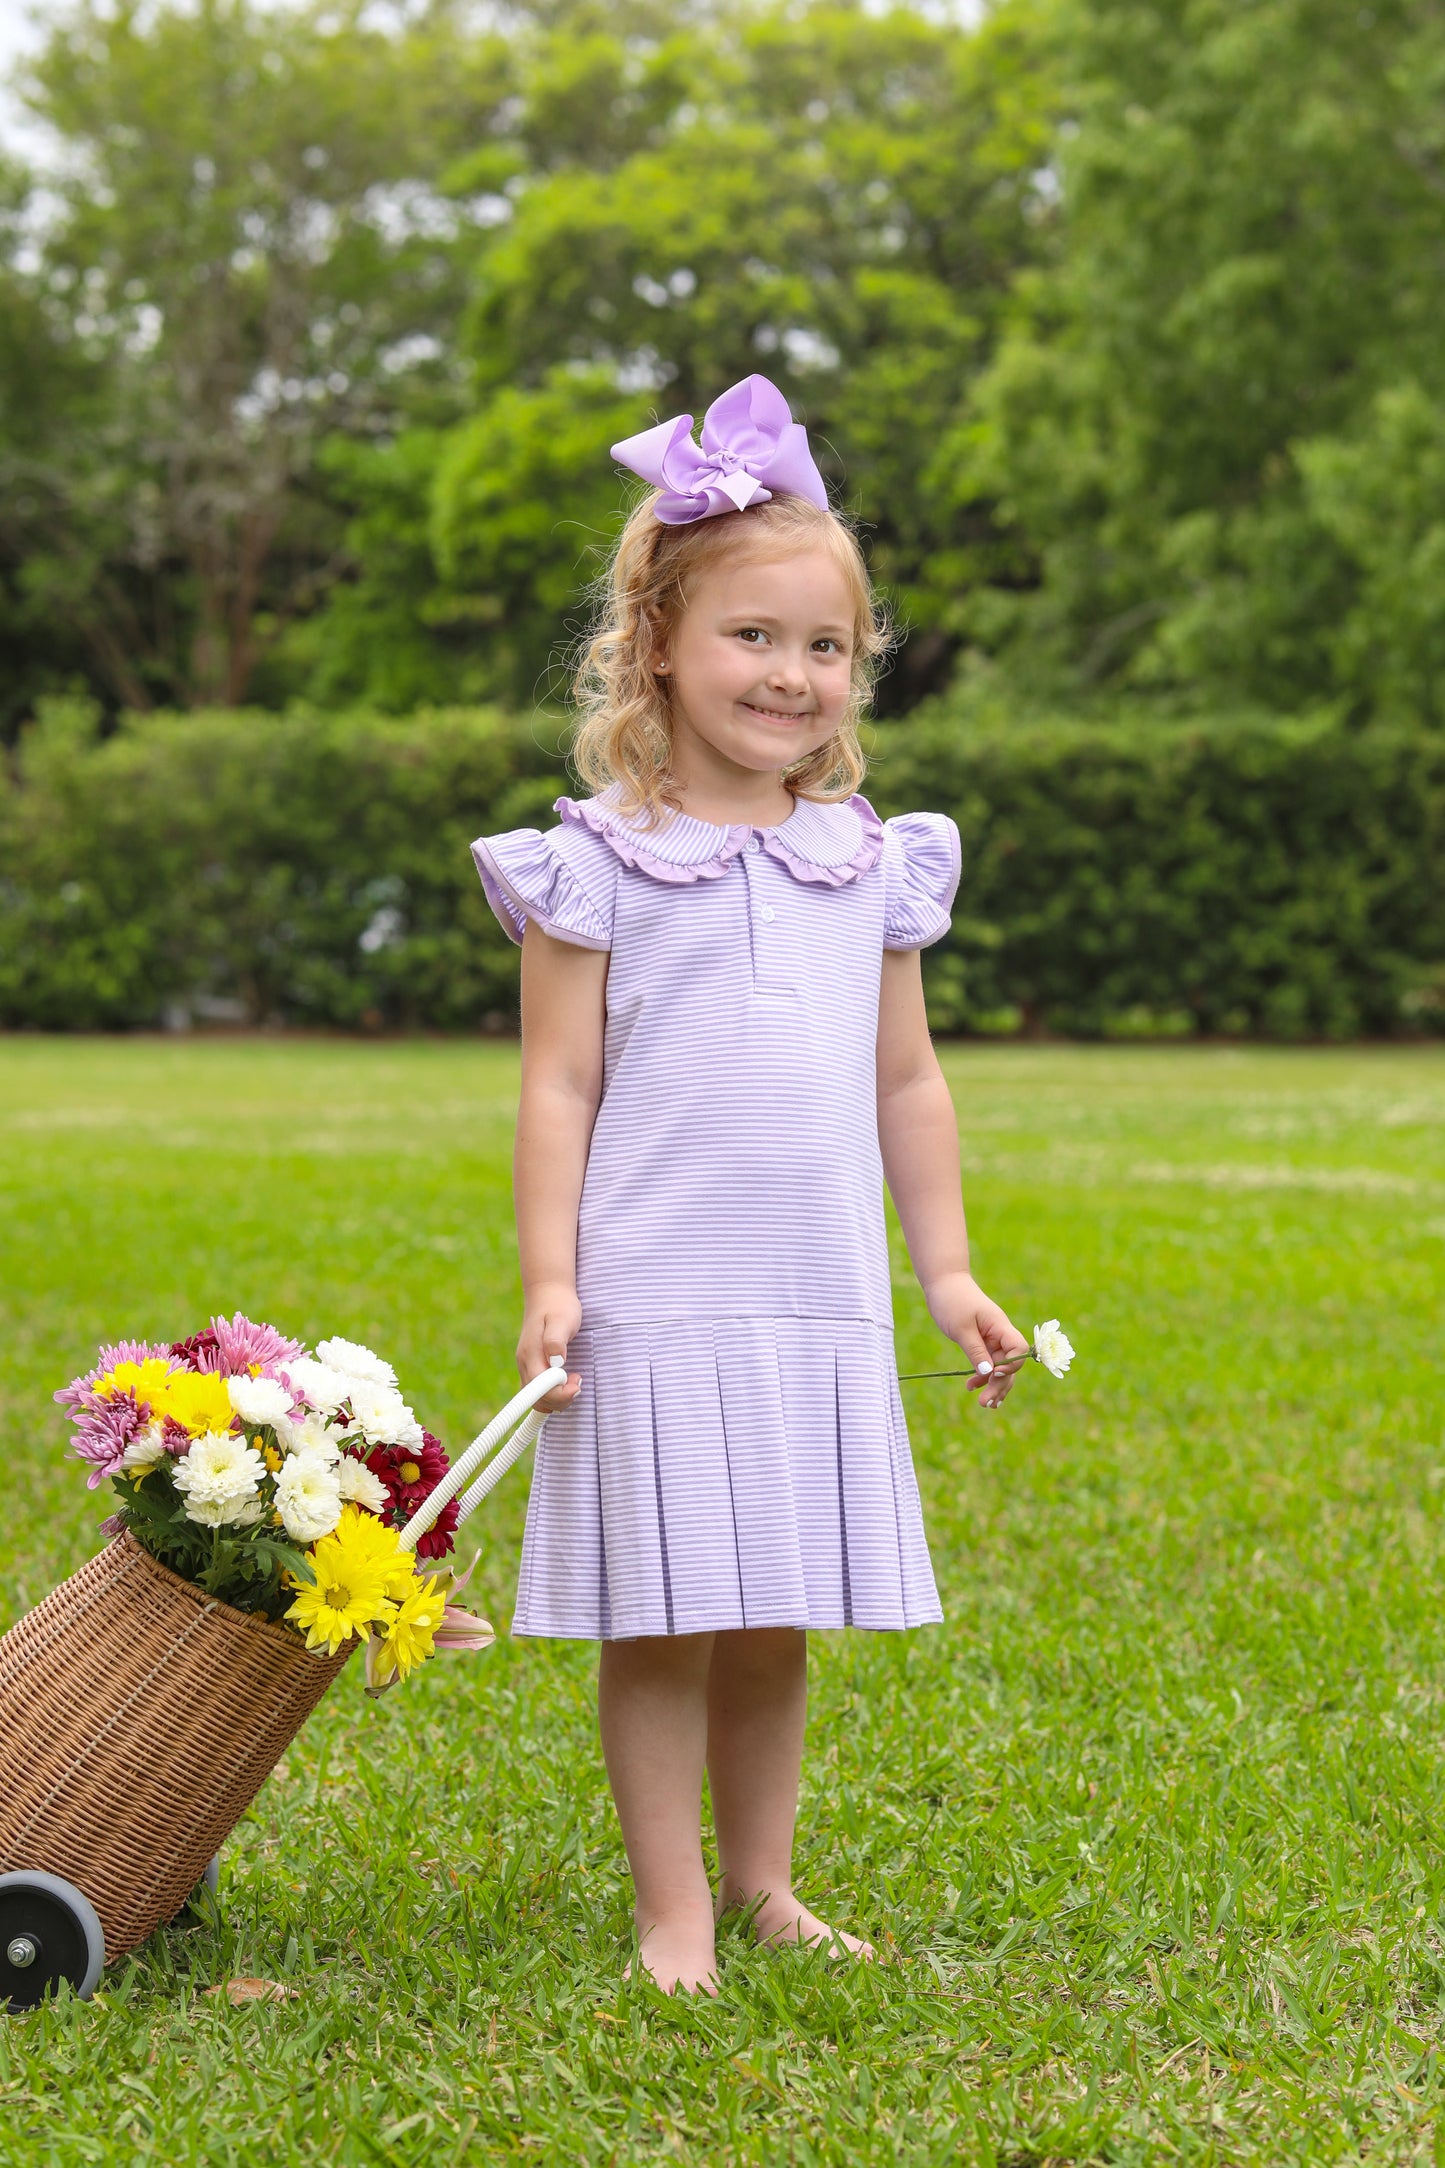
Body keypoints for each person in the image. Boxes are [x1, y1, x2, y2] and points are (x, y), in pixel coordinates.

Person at [472, 375, 1029, 1993]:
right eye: (752, 638)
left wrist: (944, 1274)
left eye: (824, 647)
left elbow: (904, 1081)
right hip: (654, 1285)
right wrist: (550, 1278)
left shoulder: (868, 859)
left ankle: (767, 1884)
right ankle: (669, 1911)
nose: (791, 676)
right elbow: (556, 1083)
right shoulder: (592, 860)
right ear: (656, 639)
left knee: (772, 1605)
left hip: (814, 1289)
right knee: (662, 1610)